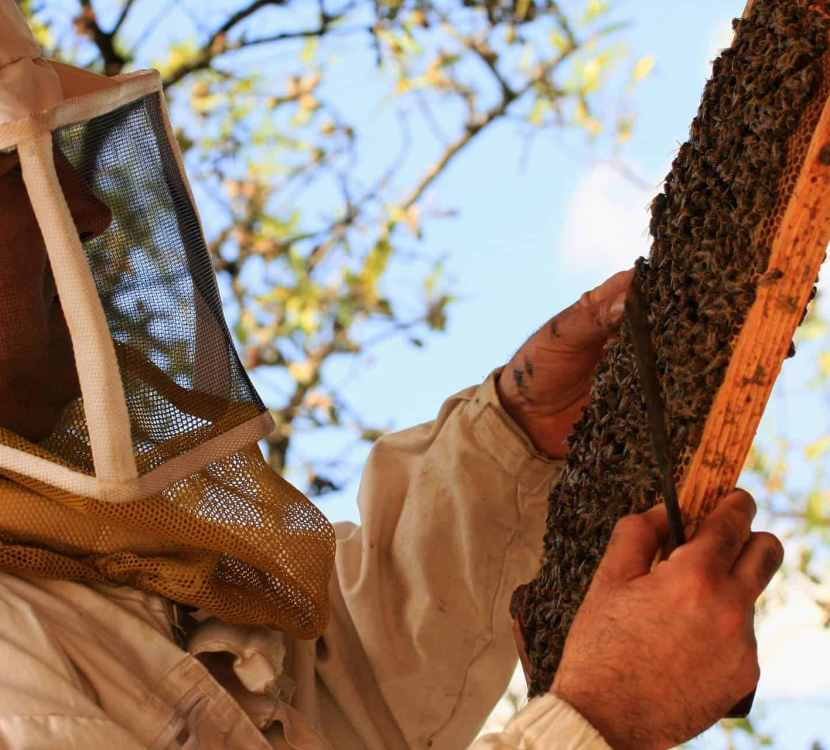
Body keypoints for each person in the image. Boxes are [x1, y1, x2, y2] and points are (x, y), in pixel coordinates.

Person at [0, 4, 783, 749]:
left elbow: (332, 709)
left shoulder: (73, 564)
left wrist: (511, 441)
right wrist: (606, 714)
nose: (89, 209)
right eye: (13, 171)